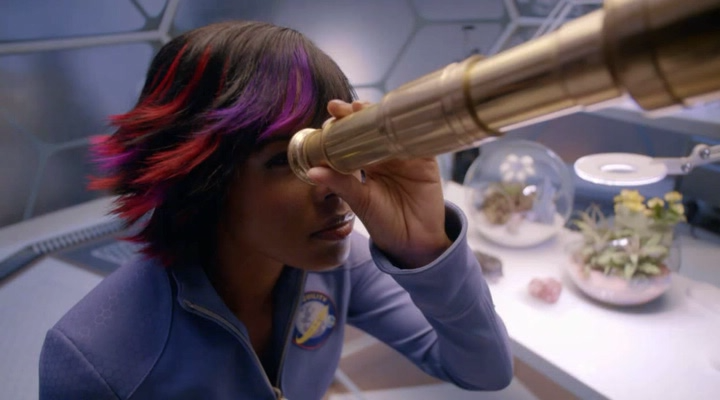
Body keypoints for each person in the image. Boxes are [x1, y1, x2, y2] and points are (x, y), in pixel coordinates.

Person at [38, 21, 512, 400]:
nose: (337, 187)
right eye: (291, 160)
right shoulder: (94, 357)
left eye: (341, 150)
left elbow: (483, 371)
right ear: (203, 178)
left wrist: (426, 251)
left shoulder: (341, 268)